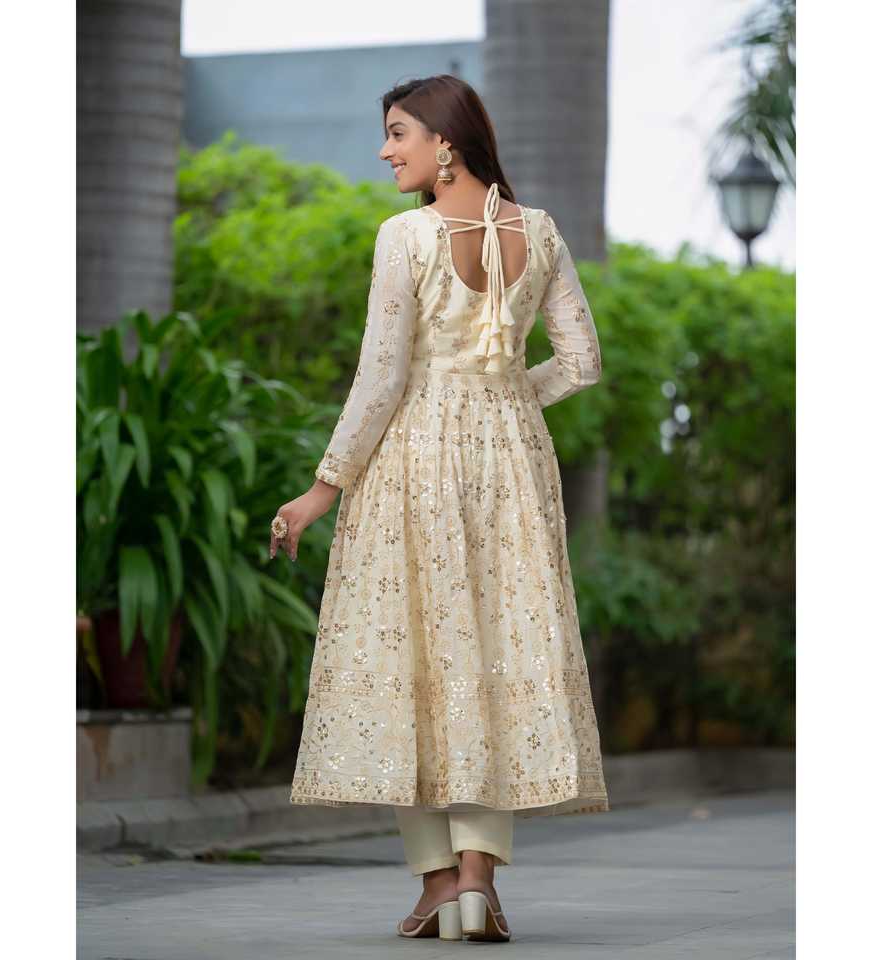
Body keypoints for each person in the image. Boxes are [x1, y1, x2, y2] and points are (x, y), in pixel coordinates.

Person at [270, 74, 610, 942]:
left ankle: (435, 886)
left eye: (398, 133)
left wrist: (323, 487)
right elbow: (582, 361)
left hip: (413, 459)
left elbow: (383, 376)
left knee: (413, 655)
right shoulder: (541, 232)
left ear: (444, 143)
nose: (385, 151)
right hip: (513, 463)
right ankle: (477, 884)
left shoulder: (406, 236)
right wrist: (507, 398)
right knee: (492, 652)